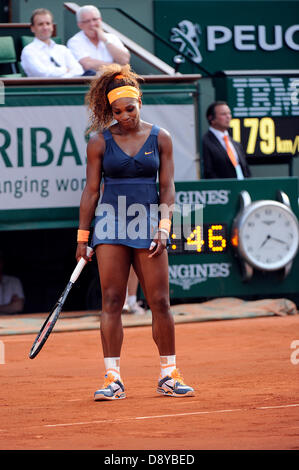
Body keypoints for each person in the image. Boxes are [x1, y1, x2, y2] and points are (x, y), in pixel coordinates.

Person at [76, 64, 194, 400]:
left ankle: (169, 375)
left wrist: (164, 225)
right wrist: (83, 238)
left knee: (160, 301)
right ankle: (112, 379)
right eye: (117, 111)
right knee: (112, 300)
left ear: (140, 101)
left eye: (130, 108)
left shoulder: (162, 138)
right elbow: (91, 192)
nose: (125, 116)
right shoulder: (98, 142)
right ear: (109, 110)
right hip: (111, 223)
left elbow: (167, 187)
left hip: (149, 222)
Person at [21, 9, 85, 78]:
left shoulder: (62, 49)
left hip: (67, 87)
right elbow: (42, 74)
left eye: (48, 23)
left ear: (52, 27)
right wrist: (65, 70)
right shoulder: (29, 51)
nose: (45, 27)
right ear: (32, 28)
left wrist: (63, 78)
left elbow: (79, 70)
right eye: (40, 24)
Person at [67, 5, 130, 74]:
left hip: (115, 80)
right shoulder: (75, 41)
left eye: (95, 19)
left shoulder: (112, 38)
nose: (92, 24)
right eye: (87, 21)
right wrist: (119, 67)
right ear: (80, 25)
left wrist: (105, 40)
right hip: (89, 82)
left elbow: (124, 60)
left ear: (100, 20)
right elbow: (88, 65)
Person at [202, 101, 251, 179]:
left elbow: (246, 171)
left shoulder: (236, 144)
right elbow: (208, 172)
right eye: (223, 114)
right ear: (211, 118)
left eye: (229, 113)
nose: (228, 117)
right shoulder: (205, 142)